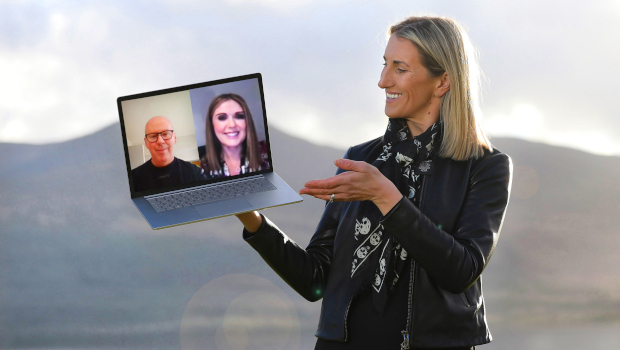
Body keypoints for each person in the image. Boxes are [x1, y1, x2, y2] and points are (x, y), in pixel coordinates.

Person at [236, 16, 512, 350]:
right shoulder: (361, 159)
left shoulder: (486, 167)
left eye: (400, 68)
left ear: (442, 82)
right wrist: (251, 217)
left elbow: (461, 270)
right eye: (384, 65)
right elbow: (315, 281)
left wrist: (386, 197)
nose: (383, 81)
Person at [199, 93, 269, 178]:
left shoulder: (267, 152)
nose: (232, 125)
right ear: (212, 124)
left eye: (239, 116)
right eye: (222, 118)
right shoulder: (203, 167)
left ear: (247, 122)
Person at [131, 116, 204, 192]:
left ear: (174, 138)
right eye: (153, 136)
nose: (160, 141)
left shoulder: (197, 173)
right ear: (146, 143)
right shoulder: (132, 179)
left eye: (165, 134)